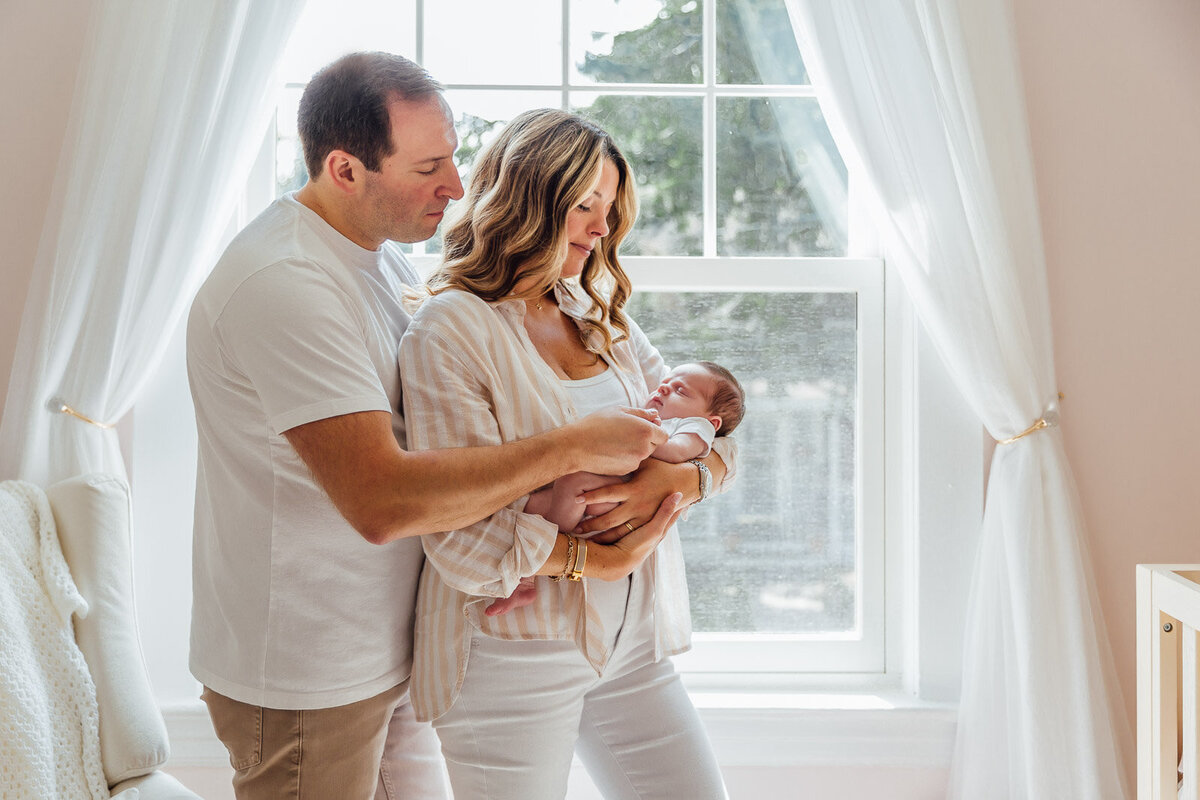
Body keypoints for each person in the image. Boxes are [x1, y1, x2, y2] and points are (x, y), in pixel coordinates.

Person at [185, 53, 696, 800]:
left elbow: (446, 447)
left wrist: (682, 472)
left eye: (453, 156)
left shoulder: (382, 264)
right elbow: (383, 500)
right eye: (429, 166)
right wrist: (574, 468)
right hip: (309, 667)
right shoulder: (285, 284)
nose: (457, 186)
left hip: (398, 647)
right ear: (345, 168)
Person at [399, 108, 737, 799]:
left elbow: (718, 434)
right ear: (530, 198)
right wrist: (597, 556)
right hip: (515, 653)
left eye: (610, 210)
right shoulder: (453, 330)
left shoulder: (596, 313)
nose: (602, 228)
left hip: (630, 642)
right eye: (586, 205)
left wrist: (671, 480)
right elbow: (459, 540)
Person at [524, 360, 745, 536]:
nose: (665, 387)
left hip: (624, 491)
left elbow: (677, 451)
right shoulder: (656, 417)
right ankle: (524, 564)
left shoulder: (697, 427)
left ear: (712, 421)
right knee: (532, 504)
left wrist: (632, 439)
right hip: (609, 483)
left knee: (573, 483)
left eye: (681, 390)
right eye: (665, 383)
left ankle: (542, 557)